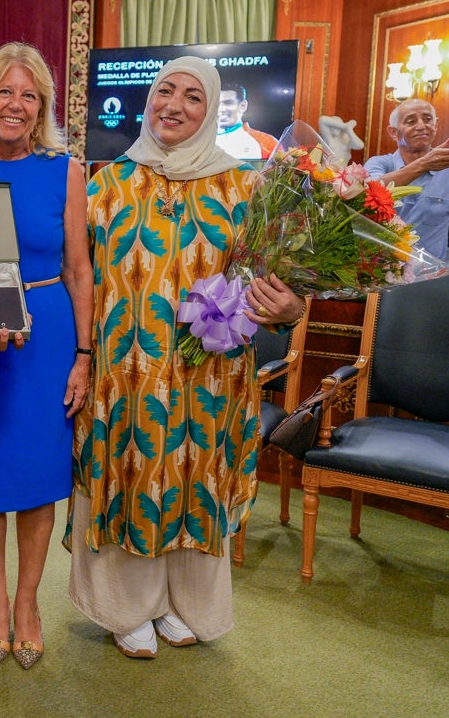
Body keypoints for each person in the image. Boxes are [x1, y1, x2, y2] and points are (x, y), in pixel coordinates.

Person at [66, 56, 303, 660]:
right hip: (125, 370)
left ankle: (185, 604)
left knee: (195, 475)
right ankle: (127, 608)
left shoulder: (244, 186)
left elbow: (281, 283)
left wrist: (288, 308)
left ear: (212, 109)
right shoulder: (105, 183)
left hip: (210, 374)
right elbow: (74, 273)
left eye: (193, 96)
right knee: (131, 469)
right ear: (147, 102)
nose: (173, 104)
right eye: (164, 90)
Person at [0, 42, 93, 670]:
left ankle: (28, 604)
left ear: (43, 107)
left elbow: (79, 269)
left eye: (30, 95)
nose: (17, 105)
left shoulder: (67, 169)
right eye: (5, 91)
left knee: (35, 478)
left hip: (47, 332)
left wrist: (83, 355)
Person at [363, 98, 449, 261]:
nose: (422, 126)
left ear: (436, 125)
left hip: (429, 280)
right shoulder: (379, 163)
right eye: (411, 121)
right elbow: (369, 194)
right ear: (393, 132)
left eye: (428, 119)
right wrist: (423, 164)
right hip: (375, 273)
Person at [215, 82, 278, 161]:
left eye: (228, 103)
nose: (220, 109)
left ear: (242, 106)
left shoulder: (267, 143)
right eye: (216, 104)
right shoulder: (200, 141)